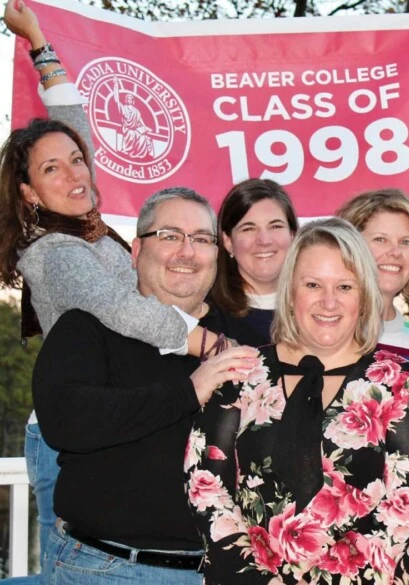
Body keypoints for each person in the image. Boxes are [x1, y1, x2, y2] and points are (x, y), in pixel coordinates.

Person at [1, 6, 231, 575]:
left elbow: (72, 120)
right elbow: (121, 309)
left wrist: (38, 43)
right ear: (29, 193)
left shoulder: (87, 227)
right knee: (79, 558)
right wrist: (203, 340)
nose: (76, 174)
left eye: (77, 160)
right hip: (71, 434)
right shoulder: (55, 254)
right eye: (53, 170)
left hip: (118, 410)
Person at [185, 218, 409, 584]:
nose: (328, 301)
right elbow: (206, 487)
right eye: (312, 284)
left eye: (344, 286)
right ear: (290, 291)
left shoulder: (398, 381)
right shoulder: (240, 374)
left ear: (364, 294)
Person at [32, 188, 260, 584]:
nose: (187, 252)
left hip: (221, 573)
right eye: (169, 235)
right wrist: (188, 392)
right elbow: (65, 421)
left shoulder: (248, 340)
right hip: (105, 568)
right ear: (136, 252)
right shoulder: (86, 327)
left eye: (201, 239)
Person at [336, 189, 409, 388]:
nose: (395, 252)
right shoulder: (325, 331)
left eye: (406, 242)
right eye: (381, 239)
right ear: (350, 247)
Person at [205, 178, 298, 346]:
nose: (264, 240)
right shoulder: (205, 316)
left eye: (275, 226)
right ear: (228, 241)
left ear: (292, 234)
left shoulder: (319, 307)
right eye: (248, 228)